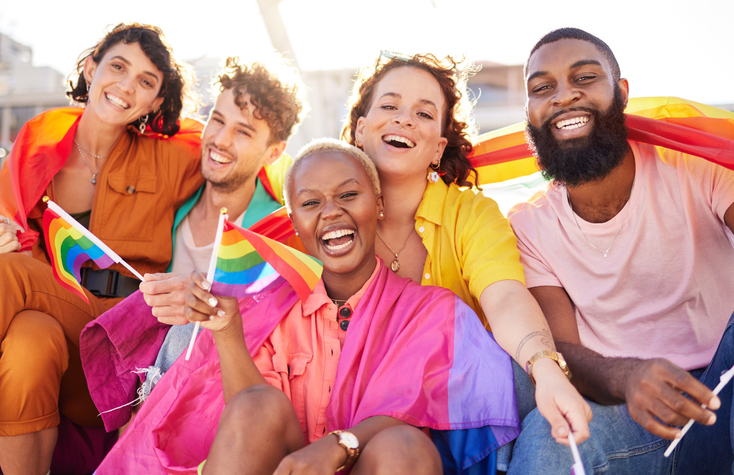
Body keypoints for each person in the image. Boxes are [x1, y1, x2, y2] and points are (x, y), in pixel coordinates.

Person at [93, 139, 520, 474]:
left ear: (379, 204)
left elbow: (411, 418)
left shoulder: (431, 312)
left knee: (404, 445)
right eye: (311, 203)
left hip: (374, 464)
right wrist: (226, 332)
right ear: (295, 223)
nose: (331, 212)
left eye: (349, 195)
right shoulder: (265, 304)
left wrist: (339, 446)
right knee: (260, 404)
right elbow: (249, 422)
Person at [340, 52, 591, 460]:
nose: (404, 119)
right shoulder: (328, 214)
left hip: (456, 423)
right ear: (360, 130)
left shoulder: (472, 213)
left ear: (438, 147)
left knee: (520, 375)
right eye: (389, 106)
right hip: (357, 419)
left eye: (424, 113)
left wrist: (546, 368)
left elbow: (505, 296)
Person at [506, 28, 734, 474]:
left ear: (621, 93)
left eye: (585, 77)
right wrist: (628, 377)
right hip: (622, 412)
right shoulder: (528, 224)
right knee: (552, 433)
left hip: (723, 388)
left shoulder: (696, 167)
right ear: (530, 113)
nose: (563, 96)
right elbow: (562, 351)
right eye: (542, 88)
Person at [0, 23, 202, 474]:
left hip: (120, 348)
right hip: (60, 341)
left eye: (146, 82)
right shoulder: (39, 143)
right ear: (91, 70)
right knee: (29, 340)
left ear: (155, 101)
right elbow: (7, 217)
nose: (126, 87)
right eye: (117, 67)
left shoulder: (173, 157)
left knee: (5, 277)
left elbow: (236, 149)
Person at [79, 57, 307, 429]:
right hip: (137, 397)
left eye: (243, 132)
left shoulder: (277, 236)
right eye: (217, 120)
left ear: (274, 153)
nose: (220, 140)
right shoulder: (168, 206)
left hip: (222, 408)